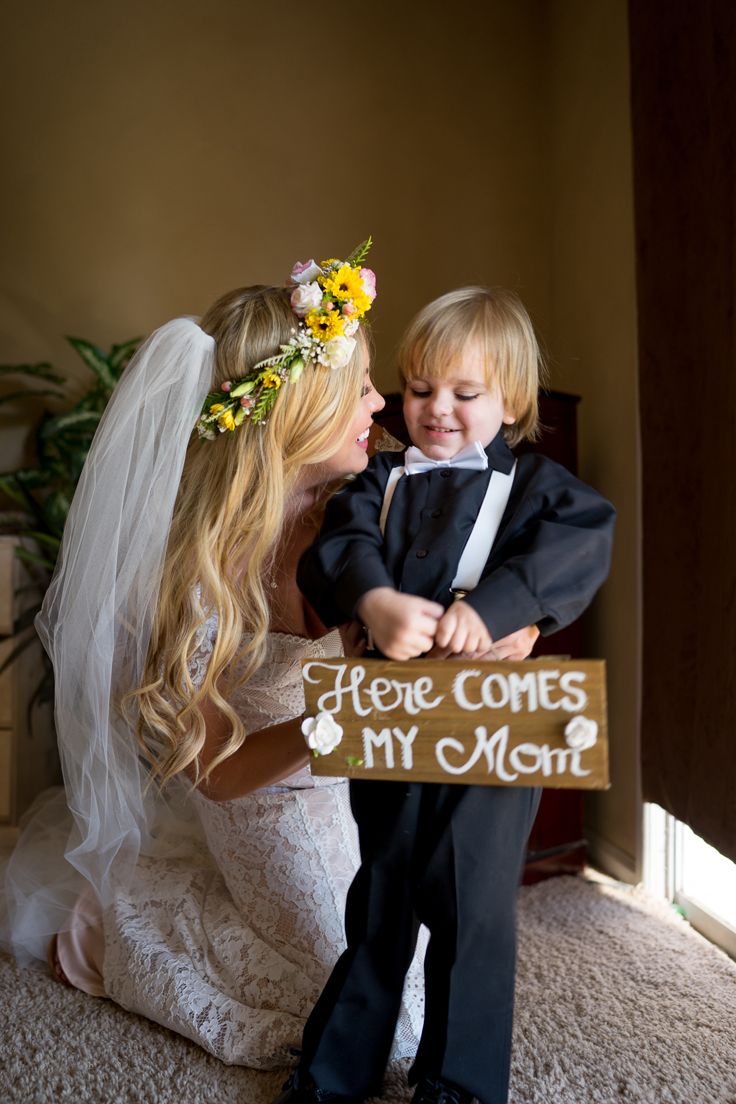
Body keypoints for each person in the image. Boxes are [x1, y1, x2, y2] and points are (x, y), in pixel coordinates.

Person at [0, 242, 437, 1068]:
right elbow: (222, 774)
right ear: (298, 408)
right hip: (258, 815)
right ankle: (133, 924)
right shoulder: (191, 572)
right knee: (382, 1029)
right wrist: (342, 722)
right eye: (358, 388)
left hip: (351, 804)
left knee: (434, 970)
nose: (380, 403)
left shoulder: (372, 506)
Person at [288, 287, 617, 1104]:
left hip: (492, 734)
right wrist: (372, 600)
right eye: (421, 388)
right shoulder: (380, 479)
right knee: (382, 895)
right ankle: (336, 1072)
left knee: (472, 911)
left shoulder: (537, 485)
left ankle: (459, 1085)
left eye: (465, 395)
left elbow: (581, 543)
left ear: (510, 401)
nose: (437, 411)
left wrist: (500, 610)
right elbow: (337, 545)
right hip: (393, 722)